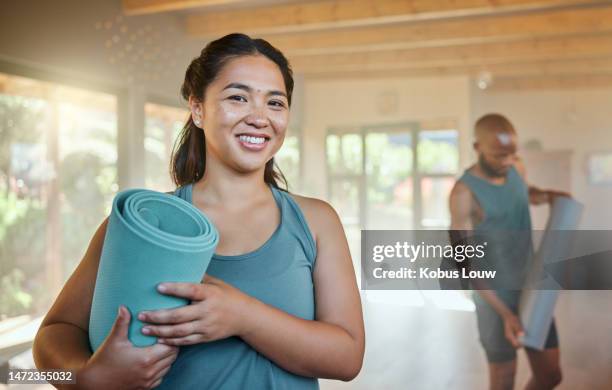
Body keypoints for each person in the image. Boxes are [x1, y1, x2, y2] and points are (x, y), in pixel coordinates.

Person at [33, 33, 365, 389]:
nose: (259, 117)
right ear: (197, 109)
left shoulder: (316, 222)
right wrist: (85, 378)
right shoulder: (141, 224)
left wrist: (243, 317)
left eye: (275, 103)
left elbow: (347, 358)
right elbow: (51, 336)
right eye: (238, 97)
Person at [449, 113, 569, 390]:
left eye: (511, 154)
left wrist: (550, 195)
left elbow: (527, 194)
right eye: (498, 156)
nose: (506, 162)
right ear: (478, 148)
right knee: (503, 381)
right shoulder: (463, 193)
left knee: (551, 375)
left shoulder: (516, 167)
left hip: (529, 288)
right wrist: (506, 314)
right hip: (492, 299)